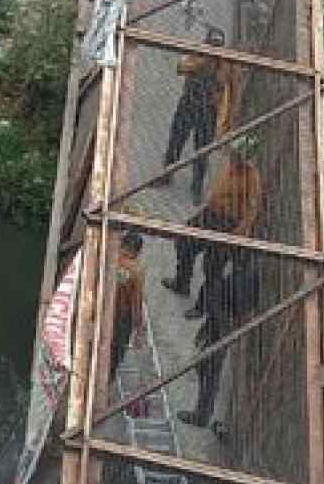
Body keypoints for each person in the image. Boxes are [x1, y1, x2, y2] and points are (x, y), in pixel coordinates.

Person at [161, 137, 261, 320]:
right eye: (233, 154)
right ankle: (182, 281)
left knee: (213, 267)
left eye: (236, 156)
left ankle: (202, 306)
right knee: (184, 240)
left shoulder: (251, 178)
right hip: (210, 215)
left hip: (228, 224)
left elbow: (252, 210)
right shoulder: (230, 167)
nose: (232, 158)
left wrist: (239, 233)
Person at [177, 261, 259, 428]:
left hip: (222, 327)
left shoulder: (235, 281)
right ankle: (202, 411)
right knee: (205, 367)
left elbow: (224, 307)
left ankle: (202, 415)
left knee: (210, 372)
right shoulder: (249, 276)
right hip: (225, 324)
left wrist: (211, 327)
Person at [158, 27, 228, 202]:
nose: (213, 50)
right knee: (176, 140)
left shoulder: (224, 67)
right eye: (211, 45)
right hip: (188, 104)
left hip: (208, 112)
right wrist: (199, 60)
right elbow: (180, 67)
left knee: (202, 150)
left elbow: (226, 95)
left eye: (217, 47)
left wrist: (221, 120)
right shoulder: (197, 56)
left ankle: (197, 186)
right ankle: (167, 174)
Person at [109, 231, 145, 382]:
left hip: (105, 309)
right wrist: (139, 330)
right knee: (116, 351)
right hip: (121, 317)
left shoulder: (110, 259)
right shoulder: (136, 272)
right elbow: (136, 303)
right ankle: (108, 379)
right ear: (137, 252)